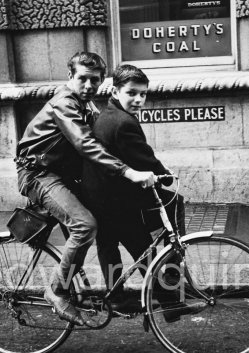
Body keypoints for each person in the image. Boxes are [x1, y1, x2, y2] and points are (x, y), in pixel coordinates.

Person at [15, 52, 155, 327]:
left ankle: (114, 296)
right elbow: (85, 145)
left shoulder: (87, 105)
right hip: (39, 174)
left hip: (64, 176)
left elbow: (102, 142)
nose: (89, 84)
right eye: (83, 78)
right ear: (70, 77)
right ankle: (57, 291)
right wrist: (128, 171)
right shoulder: (64, 103)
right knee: (84, 225)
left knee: (104, 223)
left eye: (95, 80)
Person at [82, 64, 194, 321]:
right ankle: (171, 285)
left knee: (116, 246)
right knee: (173, 204)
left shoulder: (109, 114)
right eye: (132, 93)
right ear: (116, 90)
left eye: (143, 94)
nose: (139, 100)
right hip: (113, 200)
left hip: (99, 195)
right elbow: (145, 159)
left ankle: (121, 296)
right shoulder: (123, 123)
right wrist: (164, 175)